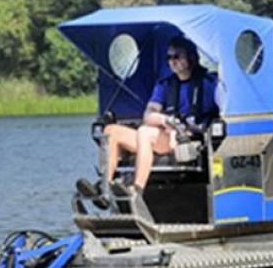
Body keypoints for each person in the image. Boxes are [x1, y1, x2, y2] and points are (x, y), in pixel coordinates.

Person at [77, 36, 218, 205]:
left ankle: (137, 191)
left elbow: (221, 110)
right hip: (164, 135)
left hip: (187, 139)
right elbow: (149, 114)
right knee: (111, 131)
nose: (172, 61)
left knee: (145, 133)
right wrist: (165, 120)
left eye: (177, 56)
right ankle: (105, 191)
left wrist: (183, 129)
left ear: (191, 58)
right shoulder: (165, 84)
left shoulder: (209, 83)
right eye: (169, 58)